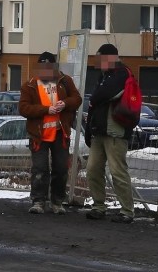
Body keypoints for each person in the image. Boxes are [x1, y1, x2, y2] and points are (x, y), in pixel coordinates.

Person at [19, 51, 82, 215]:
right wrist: (46, 109)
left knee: (61, 168)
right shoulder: (30, 85)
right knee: (40, 169)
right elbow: (23, 108)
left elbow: (77, 99)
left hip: (60, 133)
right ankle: (38, 201)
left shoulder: (65, 81)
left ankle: (57, 201)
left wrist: (65, 104)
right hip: (38, 135)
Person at [84, 43, 135, 224]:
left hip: (115, 131)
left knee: (117, 171)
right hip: (100, 130)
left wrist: (95, 97)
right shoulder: (105, 75)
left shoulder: (121, 73)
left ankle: (127, 210)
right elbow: (96, 101)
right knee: (92, 169)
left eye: (99, 58)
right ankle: (99, 206)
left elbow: (100, 96)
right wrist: (89, 129)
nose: (97, 62)